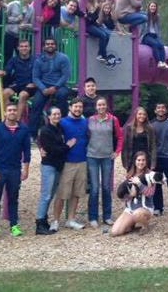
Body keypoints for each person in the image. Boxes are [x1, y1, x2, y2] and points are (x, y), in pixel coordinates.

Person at [0, 103, 32, 241]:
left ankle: (14, 225)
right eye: (9, 110)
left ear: (17, 113)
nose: (12, 112)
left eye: (14, 110)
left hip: (14, 169)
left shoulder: (23, 129)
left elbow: (27, 151)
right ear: (5, 113)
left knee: (13, 199)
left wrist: (26, 169)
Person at [86, 97, 124, 227]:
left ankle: (107, 216)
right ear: (96, 107)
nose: (101, 107)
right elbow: (84, 136)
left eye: (103, 105)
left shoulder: (113, 120)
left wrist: (117, 151)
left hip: (107, 157)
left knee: (106, 187)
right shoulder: (90, 120)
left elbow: (120, 136)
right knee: (95, 188)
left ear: (106, 106)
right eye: (99, 105)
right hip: (92, 156)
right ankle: (93, 217)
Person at [35, 107, 73, 235]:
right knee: (45, 195)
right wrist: (67, 146)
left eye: (58, 114)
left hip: (58, 166)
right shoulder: (45, 131)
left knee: (50, 194)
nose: (56, 116)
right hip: (49, 166)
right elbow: (52, 149)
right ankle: (39, 223)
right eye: (54, 114)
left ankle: (44, 219)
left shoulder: (59, 128)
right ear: (49, 116)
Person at [54, 98, 89, 230]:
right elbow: (48, 133)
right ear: (70, 107)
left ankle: (71, 219)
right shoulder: (62, 122)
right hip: (67, 162)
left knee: (76, 193)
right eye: (75, 106)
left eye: (80, 107)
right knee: (62, 193)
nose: (78, 109)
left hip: (82, 161)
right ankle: (56, 220)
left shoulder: (85, 122)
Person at [29, 37, 71, 137]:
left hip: (59, 86)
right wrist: (43, 88)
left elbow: (66, 75)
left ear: (55, 46)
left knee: (62, 96)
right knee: (36, 104)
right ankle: (32, 135)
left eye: (52, 44)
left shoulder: (63, 58)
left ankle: (62, 130)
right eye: (47, 44)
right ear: (44, 47)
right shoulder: (39, 60)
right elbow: (35, 77)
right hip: (44, 87)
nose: (50, 45)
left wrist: (55, 87)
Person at [111, 151, 156, 236]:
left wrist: (139, 184)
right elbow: (124, 197)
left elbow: (150, 193)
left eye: (143, 160)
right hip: (130, 209)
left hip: (144, 208)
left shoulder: (150, 175)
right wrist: (129, 196)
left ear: (146, 162)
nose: (141, 162)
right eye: (138, 160)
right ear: (135, 161)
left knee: (137, 214)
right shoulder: (130, 174)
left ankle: (145, 225)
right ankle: (132, 224)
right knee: (115, 232)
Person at [0, 40, 35, 119]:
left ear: (29, 48)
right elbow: (7, 71)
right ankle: (9, 117)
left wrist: (35, 84)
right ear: (18, 48)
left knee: (22, 95)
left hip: (30, 86)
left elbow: (40, 74)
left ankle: (16, 120)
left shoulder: (35, 60)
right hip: (18, 84)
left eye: (26, 46)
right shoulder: (14, 60)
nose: (24, 48)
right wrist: (1, 72)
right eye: (22, 46)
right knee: (4, 93)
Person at [121, 107, 157, 178]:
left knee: (146, 182)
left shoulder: (150, 128)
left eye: (144, 114)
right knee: (132, 181)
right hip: (132, 158)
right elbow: (125, 146)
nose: (142, 116)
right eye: (140, 114)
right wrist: (125, 162)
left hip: (146, 158)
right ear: (135, 115)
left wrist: (153, 163)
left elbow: (153, 146)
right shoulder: (129, 128)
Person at [5, 0, 34, 65]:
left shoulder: (31, 9)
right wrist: (16, 19)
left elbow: (32, 24)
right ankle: (7, 74)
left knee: (22, 56)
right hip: (9, 33)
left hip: (21, 36)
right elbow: (5, 19)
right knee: (8, 55)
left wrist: (26, 26)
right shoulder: (12, 4)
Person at [139, 1, 168, 69]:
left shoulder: (157, 16)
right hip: (146, 35)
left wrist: (159, 36)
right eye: (151, 6)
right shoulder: (145, 15)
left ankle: (163, 62)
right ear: (149, 7)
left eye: (154, 6)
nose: (153, 8)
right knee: (155, 44)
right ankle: (159, 62)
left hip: (154, 35)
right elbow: (138, 12)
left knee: (161, 45)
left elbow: (158, 28)